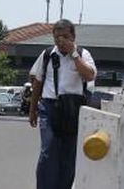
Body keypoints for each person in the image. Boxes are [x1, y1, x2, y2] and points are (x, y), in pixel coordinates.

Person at [29, 19, 96, 189]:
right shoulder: (47, 55)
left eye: (65, 36)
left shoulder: (83, 54)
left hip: (73, 109)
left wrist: (74, 55)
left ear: (73, 37)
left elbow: (90, 76)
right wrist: (33, 109)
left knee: (68, 156)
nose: (61, 41)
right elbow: (37, 81)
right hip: (50, 107)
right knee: (48, 150)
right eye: (57, 37)